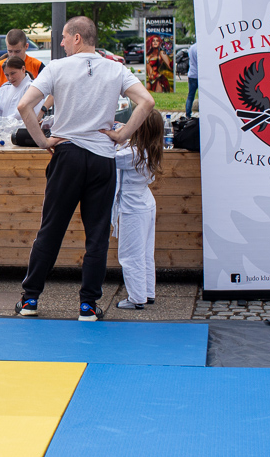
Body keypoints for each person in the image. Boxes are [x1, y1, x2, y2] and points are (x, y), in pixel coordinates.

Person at [14, 16, 154, 322]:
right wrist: (123, 135)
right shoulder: (116, 69)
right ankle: (88, 305)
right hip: (102, 158)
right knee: (97, 235)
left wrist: (42, 141)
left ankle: (30, 299)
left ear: (77, 37)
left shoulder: (57, 68)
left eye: (64, 37)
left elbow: (24, 106)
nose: (61, 42)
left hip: (68, 156)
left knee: (51, 230)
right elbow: (147, 101)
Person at [114, 110, 163, 310]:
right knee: (145, 252)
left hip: (132, 206)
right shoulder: (150, 148)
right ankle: (147, 292)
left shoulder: (132, 154)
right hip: (145, 202)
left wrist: (113, 136)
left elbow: (108, 157)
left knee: (130, 254)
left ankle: (136, 298)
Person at [0, 56, 44, 121]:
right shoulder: (4, 88)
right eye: (7, 75)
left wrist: (5, 122)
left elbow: (28, 114)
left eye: (13, 73)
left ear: (23, 69)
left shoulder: (32, 88)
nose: (10, 78)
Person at [184, 43, 199, 118]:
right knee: (202, 96)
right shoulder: (200, 48)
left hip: (192, 74)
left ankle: (188, 114)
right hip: (199, 75)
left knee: (190, 95)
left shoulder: (191, 48)